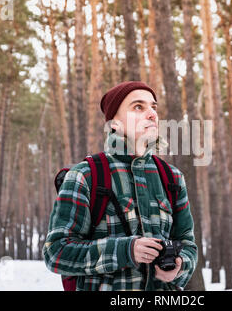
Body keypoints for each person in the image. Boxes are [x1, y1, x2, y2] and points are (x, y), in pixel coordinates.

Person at [43, 81, 197, 291]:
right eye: (138, 107)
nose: (152, 114)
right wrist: (126, 250)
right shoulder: (85, 175)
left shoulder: (172, 178)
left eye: (153, 107)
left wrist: (180, 266)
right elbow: (56, 253)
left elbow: (187, 244)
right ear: (114, 123)